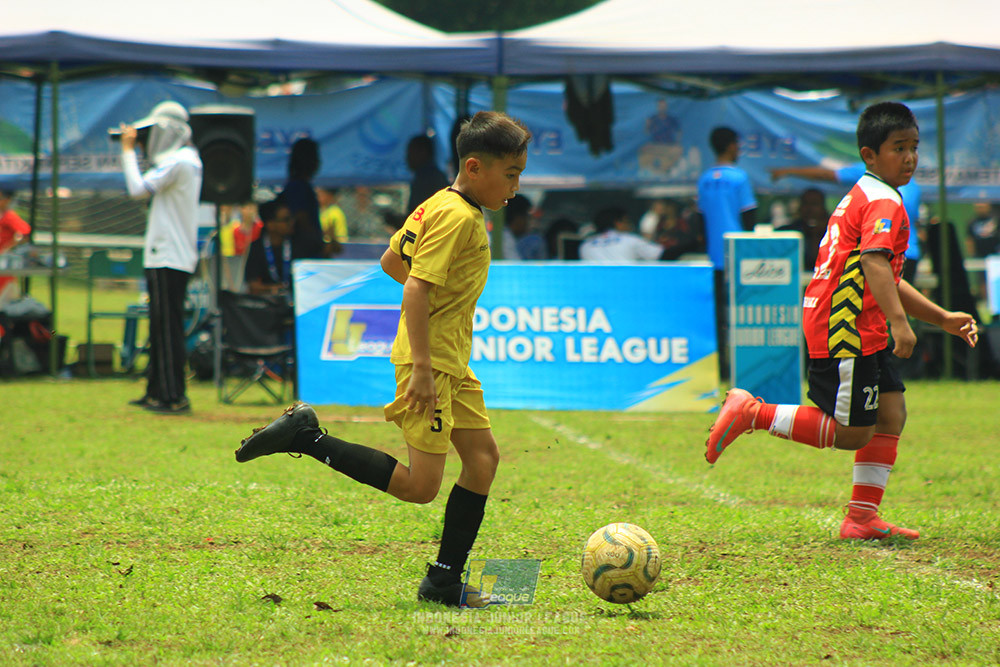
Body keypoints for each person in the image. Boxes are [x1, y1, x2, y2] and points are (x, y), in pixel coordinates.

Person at [234, 111, 532, 607]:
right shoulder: (458, 217)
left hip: (451, 360)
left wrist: (440, 307)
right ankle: (308, 437)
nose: (515, 188)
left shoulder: (440, 201)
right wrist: (421, 364)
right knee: (420, 487)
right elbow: (414, 287)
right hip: (432, 363)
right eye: (512, 174)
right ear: (476, 167)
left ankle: (443, 581)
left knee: (482, 460)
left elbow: (392, 262)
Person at [705, 102, 979, 540]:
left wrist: (940, 316)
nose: (909, 158)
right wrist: (900, 324)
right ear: (870, 155)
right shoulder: (884, 199)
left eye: (913, 148)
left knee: (890, 414)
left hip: (859, 323)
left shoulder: (869, 192)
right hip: (844, 325)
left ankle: (862, 518)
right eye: (898, 148)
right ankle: (753, 413)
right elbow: (873, 262)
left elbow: (886, 273)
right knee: (852, 433)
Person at [120, 101, 202, 414]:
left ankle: (172, 396)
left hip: (167, 255)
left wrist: (128, 151)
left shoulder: (180, 161)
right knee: (159, 326)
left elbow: (137, 188)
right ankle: (156, 390)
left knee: (166, 328)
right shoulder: (187, 160)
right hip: (168, 254)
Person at [771, 160, 923, 282]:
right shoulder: (912, 185)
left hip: (882, 255)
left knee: (886, 313)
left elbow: (827, 175)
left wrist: (788, 171)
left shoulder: (871, 174)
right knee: (895, 311)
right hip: (906, 256)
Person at [696, 126, 757, 379]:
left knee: (717, 316)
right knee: (743, 314)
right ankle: (742, 367)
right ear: (732, 145)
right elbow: (749, 217)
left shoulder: (704, 178)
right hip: (739, 255)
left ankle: (720, 368)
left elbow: (700, 220)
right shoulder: (739, 178)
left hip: (715, 258)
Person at [244, 199, 322, 298]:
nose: (291, 222)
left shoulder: (299, 243)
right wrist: (273, 288)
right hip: (269, 302)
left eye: (292, 218)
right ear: (270, 225)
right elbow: (253, 284)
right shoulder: (257, 247)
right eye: (286, 219)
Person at [279, 138, 326, 259]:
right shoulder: (298, 187)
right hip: (304, 253)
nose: (319, 162)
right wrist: (319, 245)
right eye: (316, 157)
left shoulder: (304, 186)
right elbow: (302, 219)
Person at [579, 206, 665, 262]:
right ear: (618, 223)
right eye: (627, 221)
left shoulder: (586, 245)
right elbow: (661, 255)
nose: (630, 226)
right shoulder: (629, 240)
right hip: (626, 286)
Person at [776, 188, 829, 270]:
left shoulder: (833, 233)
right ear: (800, 207)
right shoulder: (787, 233)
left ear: (823, 208)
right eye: (806, 204)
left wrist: (817, 235)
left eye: (814, 204)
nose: (810, 209)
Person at [406, 134, 449, 216]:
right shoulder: (433, 175)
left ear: (423, 152)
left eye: (410, 153)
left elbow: (420, 218)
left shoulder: (427, 179)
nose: (407, 158)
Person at [0, 189, 31, 301]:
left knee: (4, 292)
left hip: (4, 261)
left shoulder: (9, 216)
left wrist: (8, 247)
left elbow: (25, 233)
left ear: (7, 200)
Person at [500, 194, 544, 260]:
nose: (530, 222)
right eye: (528, 217)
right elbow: (515, 266)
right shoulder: (504, 239)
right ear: (518, 217)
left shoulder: (508, 236)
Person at [316, 184, 347, 257]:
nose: (317, 197)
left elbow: (341, 238)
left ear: (329, 195)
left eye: (320, 194)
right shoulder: (317, 211)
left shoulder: (336, 212)